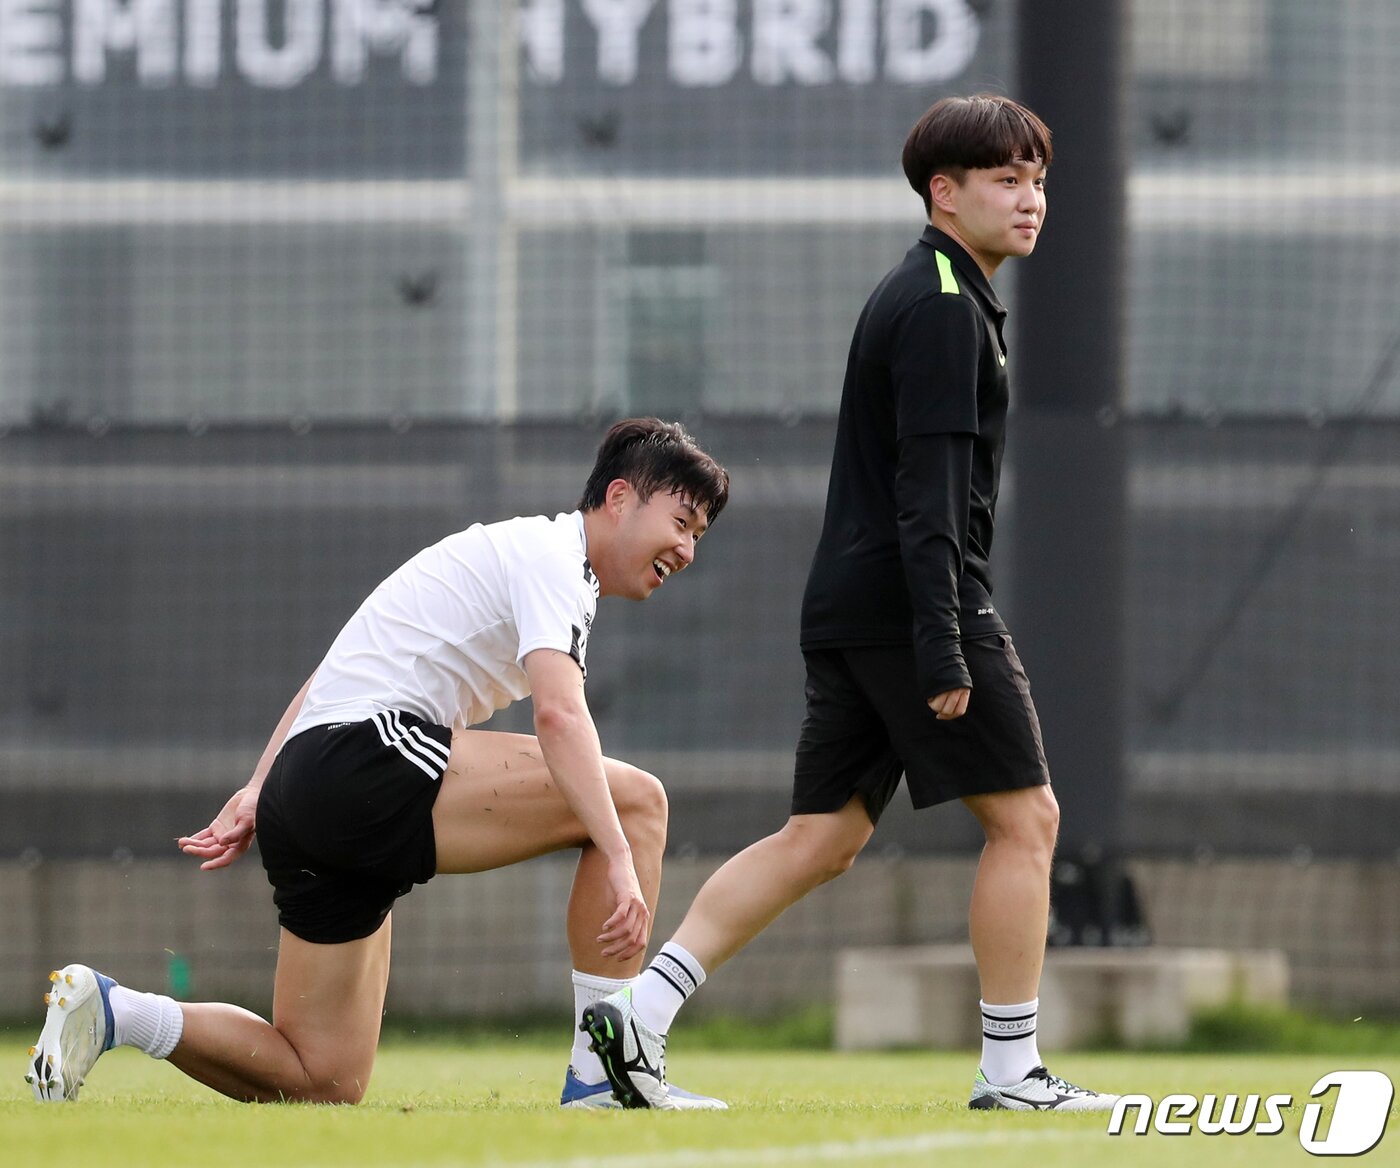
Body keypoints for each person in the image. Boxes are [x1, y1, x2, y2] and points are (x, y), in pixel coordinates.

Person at [582, 96, 1120, 1112]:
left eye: (1035, 178)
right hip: (911, 608)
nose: (1029, 198)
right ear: (942, 192)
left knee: (818, 838)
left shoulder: (938, 292)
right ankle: (1009, 1070)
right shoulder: (939, 307)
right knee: (1028, 822)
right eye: (1004, 179)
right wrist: (944, 646)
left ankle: (637, 1012)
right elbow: (928, 496)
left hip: (855, 606)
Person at [26, 417, 730, 1111]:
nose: (688, 549)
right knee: (637, 803)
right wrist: (615, 853)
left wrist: (258, 789)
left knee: (321, 1078)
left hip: (308, 790)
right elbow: (559, 716)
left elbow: (328, 677)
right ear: (616, 499)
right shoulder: (557, 558)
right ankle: (602, 1075)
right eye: (681, 519)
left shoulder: (520, 557)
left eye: (699, 534)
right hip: (361, 763)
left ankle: (115, 1011)